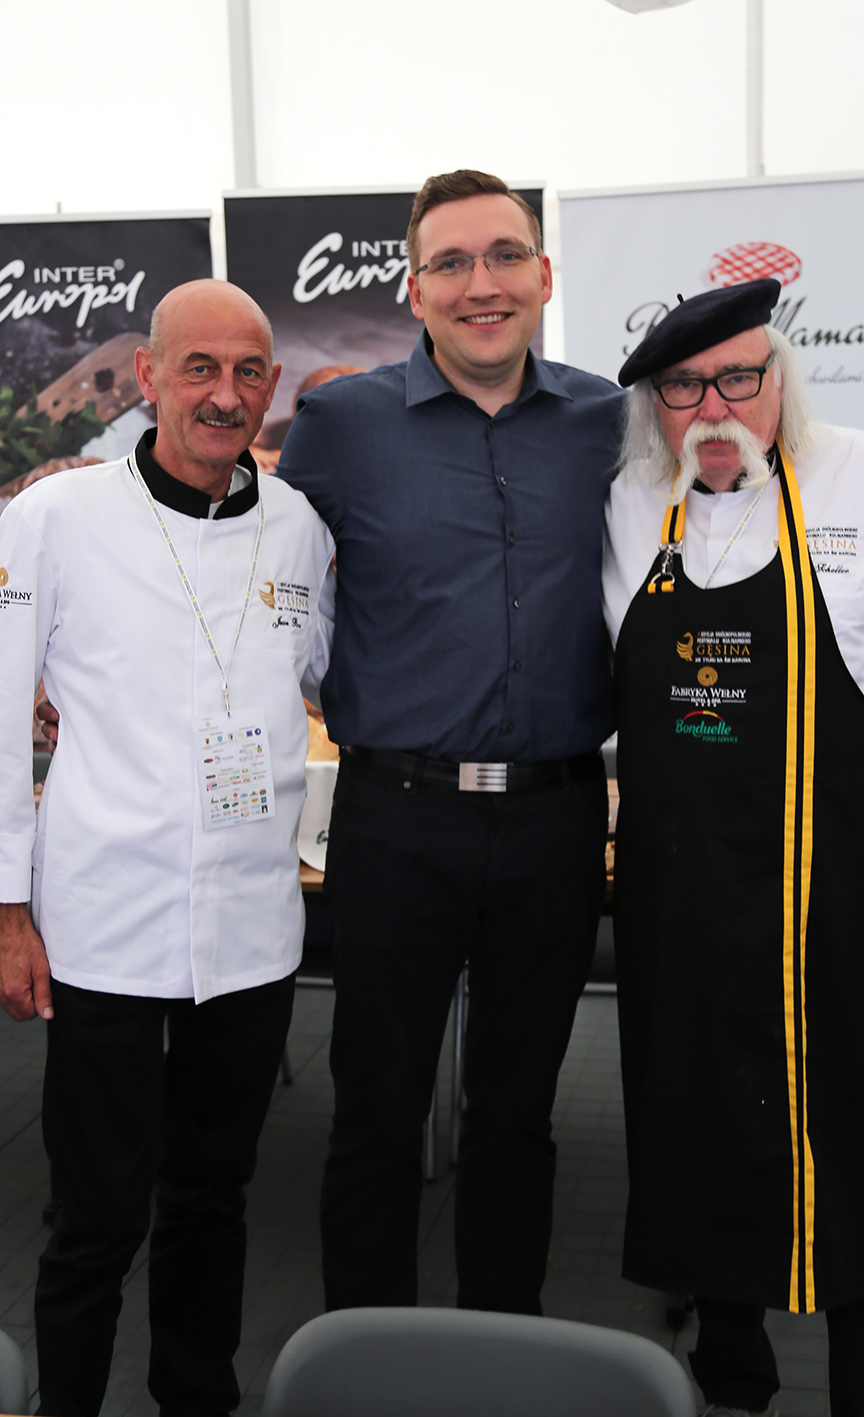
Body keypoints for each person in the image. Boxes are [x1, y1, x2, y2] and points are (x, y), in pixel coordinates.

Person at [277, 169, 625, 1314]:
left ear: (544, 274)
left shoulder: (607, 423)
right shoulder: (341, 426)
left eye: (505, 255)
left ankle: (502, 1352)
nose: (483, 284)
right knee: (377, 1112)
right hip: (397, 816)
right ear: (415, 286)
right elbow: (257, 575)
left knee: (517, 1117)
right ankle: (362, 1361)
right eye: (453, 262)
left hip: (556, 819)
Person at [604, 277, 864, 1417]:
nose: (714, 407)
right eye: (683, 386)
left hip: (844, 904)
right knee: (697, 1146)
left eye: (738, 377)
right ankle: (730, 1384)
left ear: (780, 379)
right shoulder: (630, 509)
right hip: (683, 910)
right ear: (654, 405)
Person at [0, 279, 335, 1417]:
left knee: (211, 1198)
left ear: (272, 387)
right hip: (103, 921)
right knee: (94, 1214)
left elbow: (324, 674)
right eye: (199, 368)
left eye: (248, 373)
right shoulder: (57, 517)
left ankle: (198, 1398)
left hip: (250, 931)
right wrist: (7, 909)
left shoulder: (300, 528)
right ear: (148, 376)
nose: (224, 394)